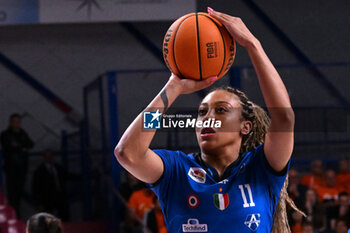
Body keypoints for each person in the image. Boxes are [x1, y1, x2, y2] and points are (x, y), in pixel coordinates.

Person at [115, 7, 299, 233]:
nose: (208, 118)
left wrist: (253, 45)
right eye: (201, 112)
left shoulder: (261, 169)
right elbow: (127, 153)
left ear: (245, 127)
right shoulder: (177, 171)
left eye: (221, 110)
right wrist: (172, 88)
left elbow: (283, 117)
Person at [0, 113, 34, 216]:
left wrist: (18, 145)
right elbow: (9, 146)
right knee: (12, 194)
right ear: (11, 122)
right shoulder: (5, 134)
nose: (17, 124)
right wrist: (21, 146)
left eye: (18, 122)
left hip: (21, 168)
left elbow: (30, 144)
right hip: (11, 168)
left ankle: (16, 216)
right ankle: (13, 217)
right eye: (15, 122)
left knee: (18, 194)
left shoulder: (22, 133)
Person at [32, 149, 69, 220]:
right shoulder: (39, 171)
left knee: (65, 216)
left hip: (60, 197)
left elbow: (67, 175)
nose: (49, 158)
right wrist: (39, 202)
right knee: (48, 220)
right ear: (44, 157)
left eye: (50, 156)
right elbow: (35, 187)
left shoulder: (58, 167)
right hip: (47, 199)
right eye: (47, 156)